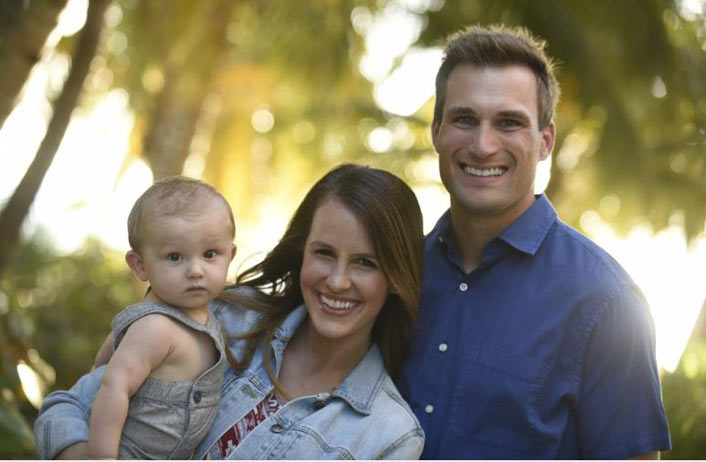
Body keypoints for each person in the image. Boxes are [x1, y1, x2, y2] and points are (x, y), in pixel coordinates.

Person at [396, 24, 671, 459]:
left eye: (509, 123)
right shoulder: (399, 272)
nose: (483, 145)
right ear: (436, 131)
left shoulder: (606, 300)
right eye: (465, 119)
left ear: (545, 141)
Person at [34, 164, 425, 459]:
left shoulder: (390, 435)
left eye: (365, 263)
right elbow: (69, 405)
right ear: (301, 251)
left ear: (394, 275)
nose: (338, 281)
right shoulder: (219, 316)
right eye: (324, 253)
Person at [87, 176, 237, 459]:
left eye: (209, 254)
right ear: (140, 265)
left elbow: (105, 354)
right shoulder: (155, 326)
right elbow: (111, 387)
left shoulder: (207, 319)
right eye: (175, 257)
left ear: (230, 255)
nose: (195, 270)